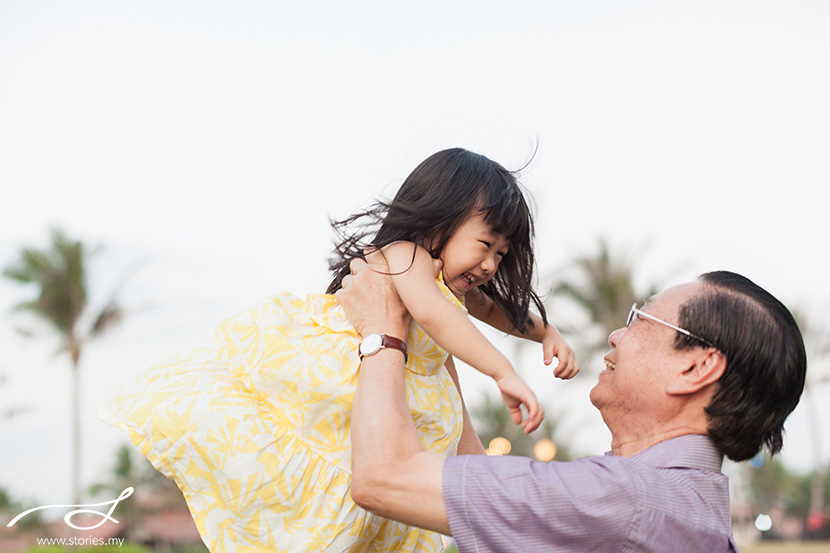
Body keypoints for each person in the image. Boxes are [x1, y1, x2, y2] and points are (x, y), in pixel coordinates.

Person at [97, 148, 577, 552]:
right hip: (339, 384)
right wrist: (501, 373)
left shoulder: (456, 285)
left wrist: (546, 333)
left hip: (392, 395)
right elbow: (436, 316)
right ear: (438, 219)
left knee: (362, 498)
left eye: (501, 254)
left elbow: (498, 312)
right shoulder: (405, 257)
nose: (491, 264)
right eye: (486, 244)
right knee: (318, 467)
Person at [337, 256, 807, 553]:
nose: (616, 335)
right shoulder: (691, 508)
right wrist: (437, 345)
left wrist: (382, 330)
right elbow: (473, 478)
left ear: (696, 368)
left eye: (639, 318)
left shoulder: (624, 500)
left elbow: (383, 477)